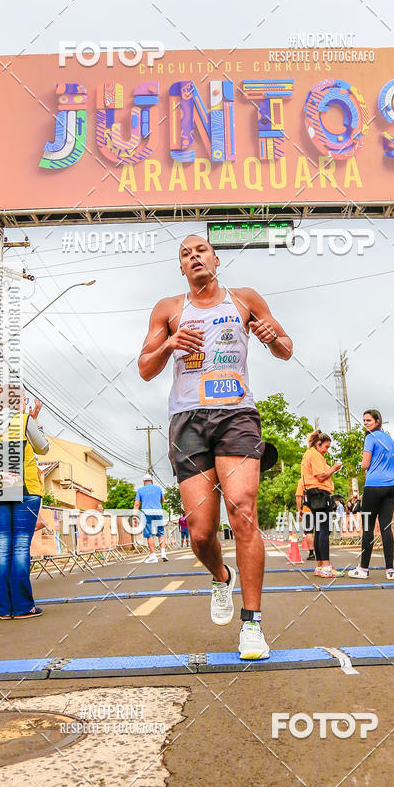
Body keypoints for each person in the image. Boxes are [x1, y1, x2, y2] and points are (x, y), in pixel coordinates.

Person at [138, 234, 292, 660]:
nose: (194, 257)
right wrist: (168, 344)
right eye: (186, 254)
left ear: (216, 259)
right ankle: (221, 576)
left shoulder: (243, 300)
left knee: (243, 511)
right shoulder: (168, 309)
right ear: (181, 269)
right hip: (187, 419)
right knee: (201, 532)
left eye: (200, 250)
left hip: (237, 415)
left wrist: (268, 337)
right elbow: (144, 369)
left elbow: (285, 350)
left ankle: (253, 625)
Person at [0, 394, 49, 619]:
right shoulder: (24, 421)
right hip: (25, 488)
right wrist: (34, 420)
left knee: (3, 547)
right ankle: (23, 606)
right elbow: (43, 448)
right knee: (20, 547)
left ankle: (4, 609)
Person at [349, 408, 394, 581]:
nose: (365, 423)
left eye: (369, 421)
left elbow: (365, 464)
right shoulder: (389, 439)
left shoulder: (370, 438)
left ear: (377, 421)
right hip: (391, 488)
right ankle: (390, 570)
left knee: (368, 529)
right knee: (386, 527)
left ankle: (363, 569)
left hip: (374, 486)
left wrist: (366, 462)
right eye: (364, 420)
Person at [300, 430, 344, 578]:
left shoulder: (309, 453)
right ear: (318, 444)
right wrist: (334, 468)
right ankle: (325, 565)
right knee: (324, 530)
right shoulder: (315, 455)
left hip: (313, 494)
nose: (326, 450)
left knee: (319, 530)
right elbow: (321, 476)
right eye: (325, 447)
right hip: (320, 493)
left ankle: (320, 565)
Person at [134, 474, 168, 563]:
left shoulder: (140, 490)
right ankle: (163, 553)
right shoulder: (158, 488)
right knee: (161, 533)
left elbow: (137, 504)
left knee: (149, 534)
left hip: (146, 513)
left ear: (144, 482)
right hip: (158, 512)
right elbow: (162, 499)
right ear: (151, 481)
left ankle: (153, 556)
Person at [295, 477, 315, 559]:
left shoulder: (303, 480)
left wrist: (299, 509)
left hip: (308, 510)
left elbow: (299, 496)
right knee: (321, 531)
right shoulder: (320, 478)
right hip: (321, 509)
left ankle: (311, 553)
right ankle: (323, 554)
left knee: (309, 532)